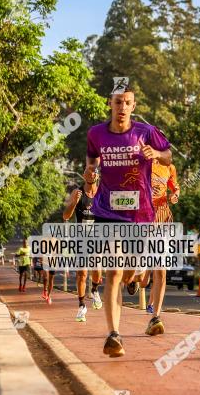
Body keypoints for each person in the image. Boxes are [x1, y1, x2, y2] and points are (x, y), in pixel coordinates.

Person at [83, 86, 171, 357]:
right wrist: (90, 171)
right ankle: (113, 335)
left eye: (127, 103)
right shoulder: (96, 133)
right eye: (118, 102)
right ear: (110, 104)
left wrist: (155, 155)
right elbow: (91, 157)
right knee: (114, 272)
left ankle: (133, 279)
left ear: (134, 106)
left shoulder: (146, 132)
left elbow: (168, 155)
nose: (122, 107)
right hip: (107, 210)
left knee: (131, 270)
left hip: (141, 213)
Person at [144, 161, 180, 331]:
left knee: (161, 270)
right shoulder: (141, 163)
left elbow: (176, 188)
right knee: (141, 280)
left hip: (162, 220)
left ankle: (155, 317)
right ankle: (138, 278)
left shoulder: (169, 167)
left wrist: (175, 196)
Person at [62, 182, 102, 322]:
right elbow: (66, 216)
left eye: (94, 173)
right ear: (85, 175)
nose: (91, 175)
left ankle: (95, 289)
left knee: (97, 270)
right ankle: (81, 305)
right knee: (82, 274)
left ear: (97, 175)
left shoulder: (102, 191)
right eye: (88, 172)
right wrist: (74, 202)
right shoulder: (77, 193)